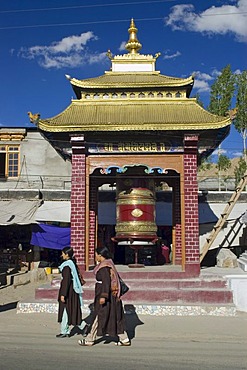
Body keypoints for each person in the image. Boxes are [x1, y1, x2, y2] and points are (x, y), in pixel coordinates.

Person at [78, 246, 130, 346]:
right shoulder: (108, 264)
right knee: (115, 317)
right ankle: (124, 339)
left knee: (98, 316)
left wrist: (103, 296)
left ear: (100, 255)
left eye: (96, 254)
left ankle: (90, 339)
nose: (95, 257)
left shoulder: (104, 267)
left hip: (107, 296)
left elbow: (106, 282)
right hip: (112, 297)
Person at [56, 246, 87, 338]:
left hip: (68, 292)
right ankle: (79, 326)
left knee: (67, 310)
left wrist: (63, 294)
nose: (62, 255)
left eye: (63, 253)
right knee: (70, 310)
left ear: (67, 254)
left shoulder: (66, 266)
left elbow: (66, 281)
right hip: (72, 291)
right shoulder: (72, 264)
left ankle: (67, 330)